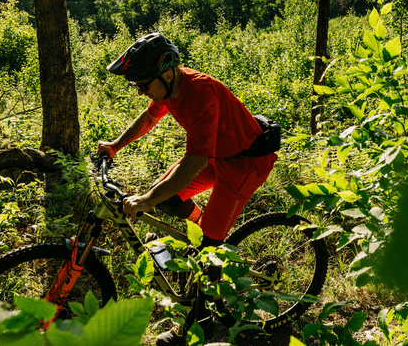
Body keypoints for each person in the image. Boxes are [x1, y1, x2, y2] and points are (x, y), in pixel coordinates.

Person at [96, 32, 278, 345]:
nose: (140, 92)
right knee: (167, 200)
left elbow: (193, 162)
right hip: (218, 156)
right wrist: (115, 145)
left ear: (167, 74)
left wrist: (144, 199)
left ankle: (199, 324)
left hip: (245, 165)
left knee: (206, 255)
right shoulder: (168, 90)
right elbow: (149, 118)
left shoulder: (201, 94)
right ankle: (206, 230)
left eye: (143, 84)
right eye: (136, 85)